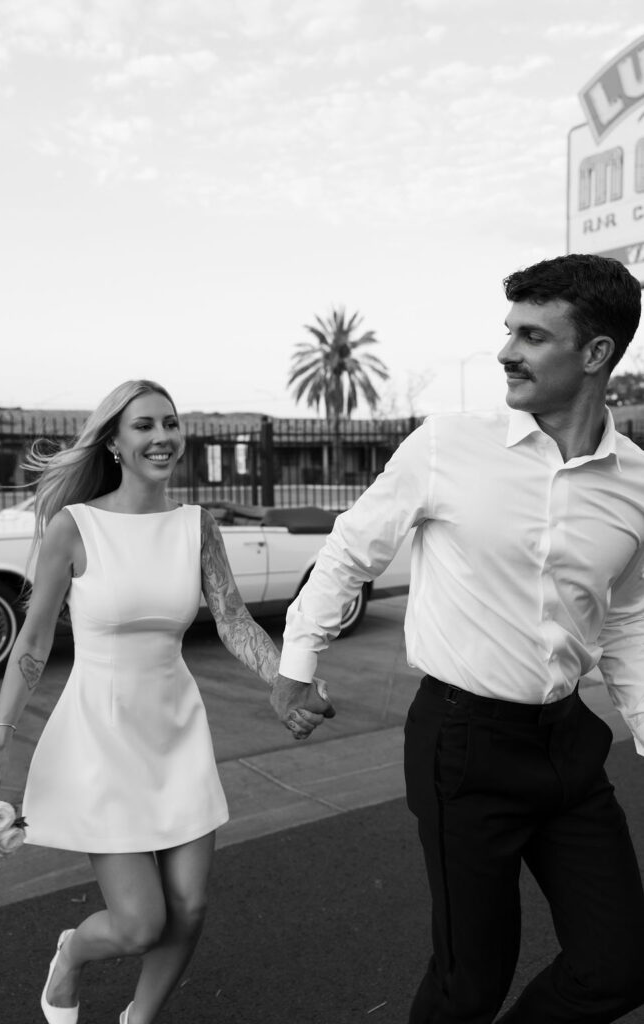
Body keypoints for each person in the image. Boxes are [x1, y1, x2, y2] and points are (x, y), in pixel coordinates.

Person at [271, 254, 644, 1023]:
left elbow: (627, 620)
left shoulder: (637, 482)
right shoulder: (447, 444)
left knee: (618, 966)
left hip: (570, 743)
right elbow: (349, 550)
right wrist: (298, 663)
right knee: (469, 981)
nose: (506, 350)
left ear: (596, 353)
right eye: (507, 330)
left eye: (532, 335)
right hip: (463, 743)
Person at [0, 379, 332, 1024]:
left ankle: (139, 1019)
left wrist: (286, 681)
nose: (162, 437)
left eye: (170, 423)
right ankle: (71, 956)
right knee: (139, 923)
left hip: (176, 728)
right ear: (114, 441)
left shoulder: (197, 526)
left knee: (189, 907)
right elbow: (35, 636)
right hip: (100, 736)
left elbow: (234, 619)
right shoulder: (73, 529)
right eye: (144, 426)